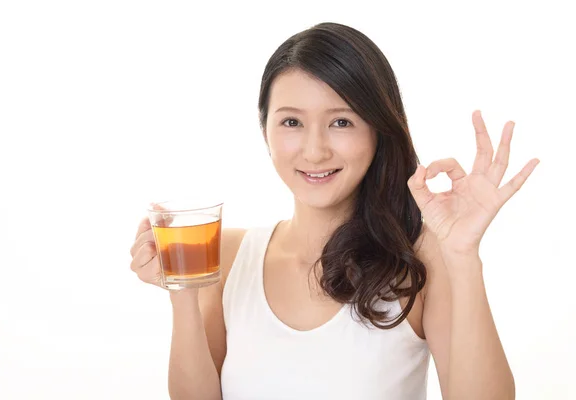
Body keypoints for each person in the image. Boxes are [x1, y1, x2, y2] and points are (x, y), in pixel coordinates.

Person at [129, 22, 539, 400]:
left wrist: (463, 256)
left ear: (379, 131)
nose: (314, 150)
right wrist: (182, 293)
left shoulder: (421, 258)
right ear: (265, 129)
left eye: (341, 122)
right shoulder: (229, 253)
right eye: (291, 122)